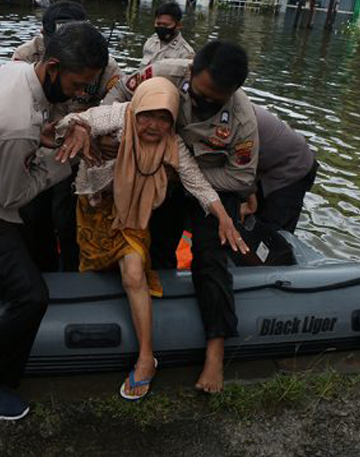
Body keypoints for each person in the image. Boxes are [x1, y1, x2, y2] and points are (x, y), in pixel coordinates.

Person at [0, 22, 109, 420]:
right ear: (52, 66)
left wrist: (54, 134)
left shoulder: (18, 70)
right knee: (32, 295)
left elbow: (36, 125)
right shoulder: (13, 125)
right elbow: (13, 197)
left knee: (32, 262)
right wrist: (65, 162)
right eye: (75, 85)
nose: (78, 95)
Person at [56, 77, 246, 400]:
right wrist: (76, 128)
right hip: (95, 209)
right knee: (92, 268)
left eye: (164, 118)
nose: (154, 125)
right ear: (137, 108)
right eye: (148, 115)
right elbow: (77, 120)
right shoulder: (119, 117)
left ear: (173, 120)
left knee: (132, 273)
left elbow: (198, 184)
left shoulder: (173, 145)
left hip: (133, 214)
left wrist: (224, 217)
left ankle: (147, 358)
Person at [103, 41, 259, 393]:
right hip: (160, 177)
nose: (205, 103)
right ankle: (159, 320)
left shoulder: (241, 119)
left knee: (210, 255)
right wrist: (118, 140)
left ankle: (215, 354)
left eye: (215, 100)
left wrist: (186, 178)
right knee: (155, 245)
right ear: (190, 72)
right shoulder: (159, 74)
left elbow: (242, 177)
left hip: (210, 182)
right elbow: (114, 101)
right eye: (201, 94)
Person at [12, 0, 123, 271]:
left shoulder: (104, 65)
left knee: (69, 220)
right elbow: (15, 109)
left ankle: (75, 274)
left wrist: (89, 125)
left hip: (77, 154)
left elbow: (119, 105)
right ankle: (44, 272)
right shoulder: (24, 58)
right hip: (39, 147)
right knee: (34, 218)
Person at [240, 105, 317, 233]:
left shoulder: (236, 121)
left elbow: (242, 169)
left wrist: (251, 205)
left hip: (293, 167)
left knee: (273, 232)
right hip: (265, 163)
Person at [139, 1, 195, 68]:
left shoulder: (185, 53)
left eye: (166, 25)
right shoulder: (150, 42)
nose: (161, 28)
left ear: (178, 25)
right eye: (158, 24)